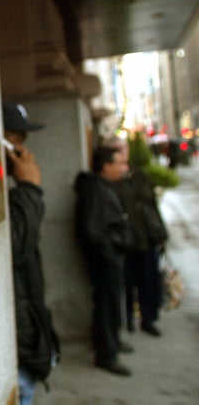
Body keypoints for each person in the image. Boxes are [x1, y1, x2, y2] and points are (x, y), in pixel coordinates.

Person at [3, 102, 59, 404]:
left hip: (25, 336)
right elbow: (13, 244)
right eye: (15, 139)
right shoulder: (16, 194)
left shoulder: (10, 194)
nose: (23, 150)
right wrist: (29, 189)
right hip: (17, 344)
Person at [74, 145, 132, 376]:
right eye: (119, 163)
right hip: (105, 261)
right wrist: (110, 253)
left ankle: (113, 343)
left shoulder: (104, 188)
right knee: (106, 306)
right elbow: (93, 231)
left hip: (110, 259)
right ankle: (107, 353)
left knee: (111, 303)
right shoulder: (96, 191)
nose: (123, 168)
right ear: (106, 165)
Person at [112, 154, 164, 337]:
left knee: (148, 283)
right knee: (127, 283)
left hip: (146, 241)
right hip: (127, 244)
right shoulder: (114, 185)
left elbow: (152, 206)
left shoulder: (140, 178)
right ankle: (129, 320)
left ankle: (148, 318)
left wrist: (160, 234)